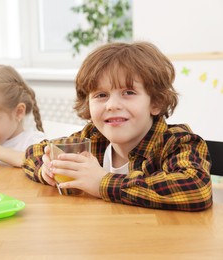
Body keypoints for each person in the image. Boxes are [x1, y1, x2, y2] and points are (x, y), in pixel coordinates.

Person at [23, 41, 213, 211]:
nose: (112, 105)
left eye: (128, 92)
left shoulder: (177, 142)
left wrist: (101, 183)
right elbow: (35, 151)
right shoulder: (94, 138)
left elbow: (196, 187)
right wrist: (46, 169)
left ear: (155, 102)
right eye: (101, 95)